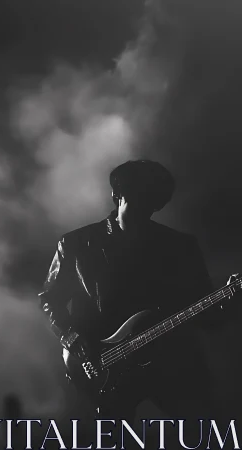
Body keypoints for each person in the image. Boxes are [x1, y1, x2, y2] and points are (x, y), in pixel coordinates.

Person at [39, 160, 235, 443]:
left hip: (172, 362)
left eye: (153, 201)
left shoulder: (180, 247)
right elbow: (50, 300)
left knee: (206, 435)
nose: (145, 208)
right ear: (117, 196)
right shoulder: (77, 244)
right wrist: (73, 339)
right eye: (139, 198)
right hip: (108, 368)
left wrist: (225, 305)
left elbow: (206, 316)